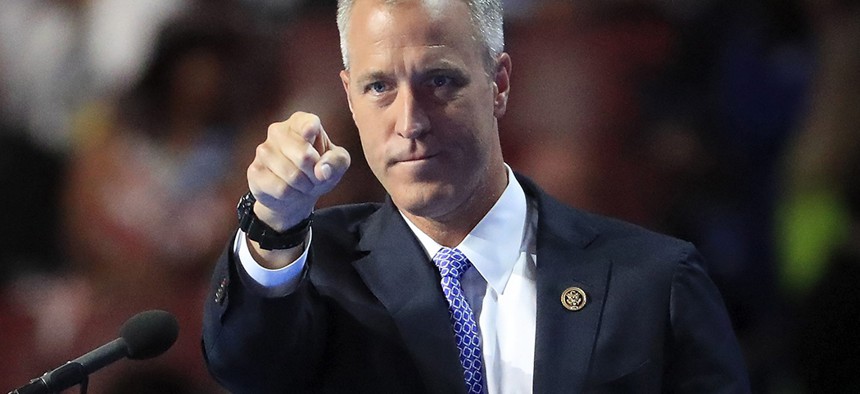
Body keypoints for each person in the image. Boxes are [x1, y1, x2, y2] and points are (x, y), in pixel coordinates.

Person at [202, 0, 750, 393]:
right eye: (379, 87)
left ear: (499, 83)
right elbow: (248, 368)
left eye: (440, 81)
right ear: (349, 96)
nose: (410, 121)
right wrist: (274, 224)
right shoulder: (316, 270)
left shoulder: (655, 280)